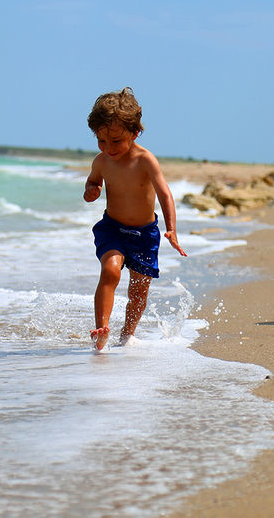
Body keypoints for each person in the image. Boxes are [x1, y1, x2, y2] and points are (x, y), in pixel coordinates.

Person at [83, 87, 187, 351]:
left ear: (134, 132)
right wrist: (91, 190)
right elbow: (93, 182)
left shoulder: (145, 160)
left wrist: (171, 229)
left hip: (144, 234)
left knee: (138, 291)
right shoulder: (102, 162)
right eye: (101, 141)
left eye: (115, 141)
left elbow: (164, 193)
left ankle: (126, 335)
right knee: (110, 271)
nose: (108, 148)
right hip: (113, 229)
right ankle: (101, 330)